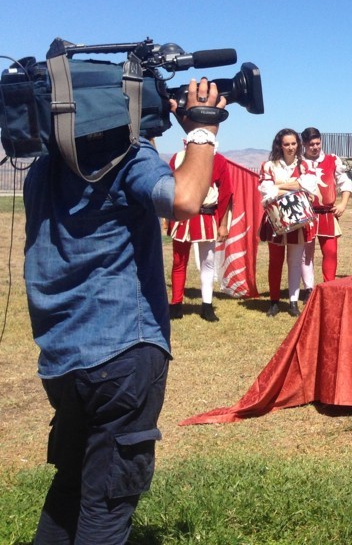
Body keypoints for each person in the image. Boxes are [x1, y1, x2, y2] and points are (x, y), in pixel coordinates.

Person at [24, 77, 224, 544]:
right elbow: (184, 198)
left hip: (61, 357)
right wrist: (201, 129)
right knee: (108, 503)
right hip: (121, 356)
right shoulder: (127, 161)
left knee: (71, 484)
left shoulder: (44, 167)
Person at [166, 146, 233, 322]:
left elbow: (226, 193)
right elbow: (170, 188)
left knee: (208, 263)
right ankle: (176, 305)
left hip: (206, 216)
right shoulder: (178, 157)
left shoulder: (218, 160)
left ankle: (207, 306)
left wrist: (223, 224)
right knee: (179, 262)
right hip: (182, 216)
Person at [259, 128, 317, 317]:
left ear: (298, 145)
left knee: (295, 262)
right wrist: (295, 185)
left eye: (293, 144)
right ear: (280, 146)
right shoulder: (268, 166)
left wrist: (278, 186)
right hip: (275, 220)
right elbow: (266, 191)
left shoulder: (306, 165)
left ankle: (293, 302)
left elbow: (308, 186)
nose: (291, 147)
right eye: (286, 144)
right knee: (275, 261)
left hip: (299, 221)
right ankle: (274, 301)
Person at [301, 127, 352, 284]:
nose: (316, 147)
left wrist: (343, 204)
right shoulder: (298, 163)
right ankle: (308, 290)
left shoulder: (332, 160)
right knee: (306, 255)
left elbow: (345, 182)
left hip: (327, 214)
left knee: (331, 252)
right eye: (311, 144)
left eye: (318, 143)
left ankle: (328, 286)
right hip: (306, 215)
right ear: (304, 144)